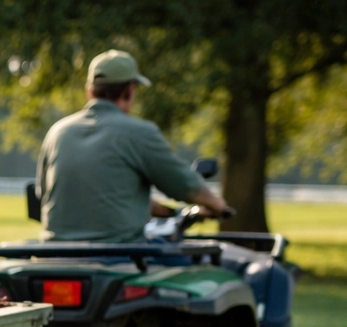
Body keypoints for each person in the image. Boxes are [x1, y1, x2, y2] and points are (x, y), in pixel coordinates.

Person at [36, 50, 229, 242]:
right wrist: (217, 204)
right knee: (226, 263)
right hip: (120, 253)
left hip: (55, 253)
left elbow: (44, 192)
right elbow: (183, 184)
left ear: (89, 90)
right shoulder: (139, 133)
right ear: (129, 90)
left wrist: (168, 211)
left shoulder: (58, 132)